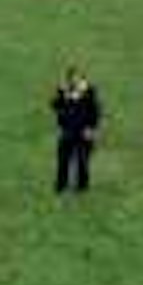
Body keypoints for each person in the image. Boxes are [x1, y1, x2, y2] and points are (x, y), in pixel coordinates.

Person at [51, 66, 101, 194]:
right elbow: (54, 105)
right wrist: (63, 95)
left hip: (84, 131)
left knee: (82, 160)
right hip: (67, 130)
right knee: (63, 159)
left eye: (78, 78)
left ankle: (82, 187)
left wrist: (92, 129)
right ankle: (60, 185)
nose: (75, 81)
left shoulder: (89, 91)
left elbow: (96, 111)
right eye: (72, 78)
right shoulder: (64, 90)